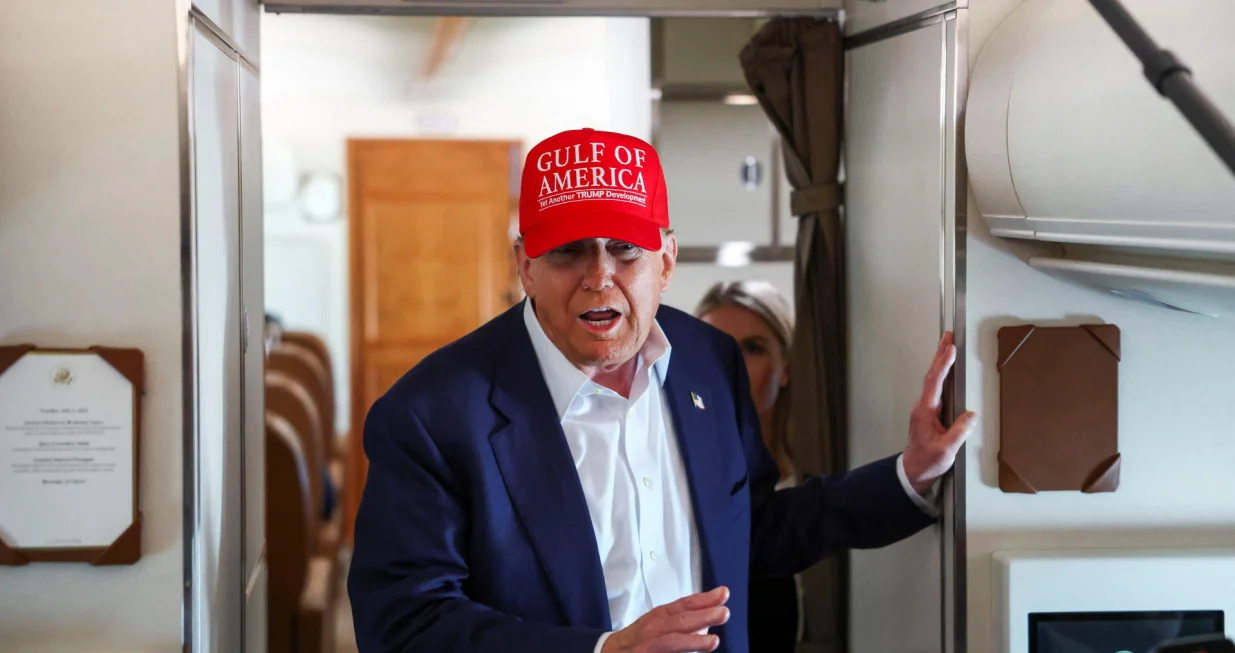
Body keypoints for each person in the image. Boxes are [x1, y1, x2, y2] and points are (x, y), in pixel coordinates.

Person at [348, 128, 977, 653]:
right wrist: (600, 652)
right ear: (524, 264)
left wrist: (909, 475)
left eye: (624, 251)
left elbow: (748, 530)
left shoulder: (708, 360)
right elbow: (404, 622)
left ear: (666, 261)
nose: (599, 279)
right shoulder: (429, 414)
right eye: (569, 253)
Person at [695, 280, 801, 653]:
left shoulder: (809, 487)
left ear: (784, 369)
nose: (730, 366)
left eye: (752, 349)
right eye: (714, 347)